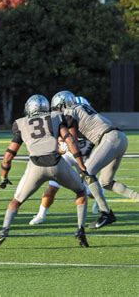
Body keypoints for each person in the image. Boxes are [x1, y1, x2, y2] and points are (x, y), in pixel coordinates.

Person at [0, 95, 90, 248]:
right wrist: (81, 166)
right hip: (57, 164)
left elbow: (8, 156)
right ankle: (80, 229)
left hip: (35, 167)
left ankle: (5, 230)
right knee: (81, 192)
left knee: (16, 201)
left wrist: (3, 176)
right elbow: (70, 141)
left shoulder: (21, 123)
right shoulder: (56, 117)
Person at [51, 90, 133, 229]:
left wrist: (62, 146)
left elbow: (73, 140)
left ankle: (106, 213)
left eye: (58, 108)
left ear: (62, 105)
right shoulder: (82, 107)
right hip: (119, 137)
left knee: (87, 171)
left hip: (109, 139)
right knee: (106, 182)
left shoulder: (70, 112)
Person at [29, 96, 96, 225]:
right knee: (53, 185)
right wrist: (60, 143)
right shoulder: (63, 118)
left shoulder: (90, 122)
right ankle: (41, 214)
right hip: (68, 155)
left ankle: (100, 203)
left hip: (84, 156)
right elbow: (57, 137)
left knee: (90, 188)